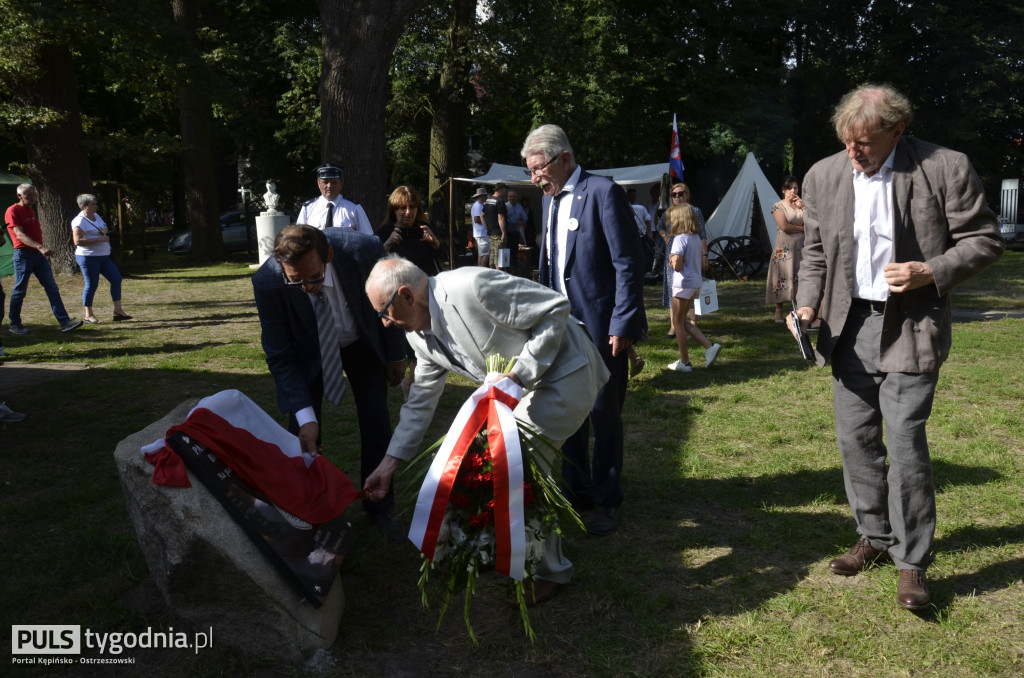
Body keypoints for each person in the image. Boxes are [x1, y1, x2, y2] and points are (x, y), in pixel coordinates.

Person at [790, 85, 1004, 610]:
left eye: (864, 141)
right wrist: (808, 305)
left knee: (906, 444)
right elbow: (814, 252)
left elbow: (984, 238)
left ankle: (912, 563)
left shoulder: (945, 166)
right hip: (848, 326)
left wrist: (931, 271)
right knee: (855, 440)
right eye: (846, 140)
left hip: (910, 323)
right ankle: (874, 537)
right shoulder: (824, 175)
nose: (853, 151)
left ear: (897, 130)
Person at [362, 256, 610, 602]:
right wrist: (388, 466)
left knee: (520, 462)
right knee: (481, 460)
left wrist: (521, 374)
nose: (385, 323)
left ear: (406, 295)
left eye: (384, 312)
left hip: (565, 371)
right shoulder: (419, 336)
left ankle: (550, 571)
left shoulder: (471, 286)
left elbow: (556, 307)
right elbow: (418, 403)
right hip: (517, 393)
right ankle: (483, 548)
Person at [522, 123, 645, 535]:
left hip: (602, 327)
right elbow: (551, 265)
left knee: (603, 411)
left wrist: (623, 323)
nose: (535, 177)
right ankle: (578, 490)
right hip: (560, 327)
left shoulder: (602, 192)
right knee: (566, 408)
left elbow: (628, 262)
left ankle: (609, 499)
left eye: (538, 168)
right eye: (530, 171)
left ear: (566, 159)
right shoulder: (549, 200)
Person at [252, 224, 408, 540]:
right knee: (301, 434)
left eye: (313, 277)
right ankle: (307, 512)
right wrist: (306, 416)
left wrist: (396, 355)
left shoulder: (364, 251)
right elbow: (280, 356)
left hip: (360, 342)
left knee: (375, 419)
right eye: (295, 281)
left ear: (330, 256)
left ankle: (379, 506)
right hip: (309, 350)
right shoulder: (269, 281)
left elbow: (390, 303)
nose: (306, 287)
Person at [4, 183, 83, 334]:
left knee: (52, 287)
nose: (33, 198)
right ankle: (15, 324)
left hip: (37, 256)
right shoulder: (13, 210)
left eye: (34, 195)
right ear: (19, 196)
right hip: (23, 255)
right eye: (29, 195)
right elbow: (19, 235)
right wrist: (40, 247)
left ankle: (65, 321)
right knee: (20, 290)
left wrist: (40, 250)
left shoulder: (31, 210)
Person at [666, 204, 722, 372]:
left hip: (683, 284)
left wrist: (671, 258)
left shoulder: (680, 238)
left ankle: (685, 362)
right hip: (694, 283)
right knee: (682, 320)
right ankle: (709, 346)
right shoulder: (695, 238)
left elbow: (677, 265)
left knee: (677, 323)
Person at [655, 183, 707, 337]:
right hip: (673, 254)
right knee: (674, 289)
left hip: (690, 254)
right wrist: (666, 238)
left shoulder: (695, 211)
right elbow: (659, 225)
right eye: (674, 194)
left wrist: (705, 255)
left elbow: (702, 234)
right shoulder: (669, 212)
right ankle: (674, 325)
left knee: (688, 289)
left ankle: (692, 324)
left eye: (680, 194)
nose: (677, 197)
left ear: (687, 195)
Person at [71, 194, 131, 324]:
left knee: (116, 278)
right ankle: (88, 315)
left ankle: (118, 311)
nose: (96, 206)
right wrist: (99, 239)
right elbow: (77, 241)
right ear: (84, 206)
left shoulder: (96, 216)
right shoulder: (79, 221)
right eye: (93, 204)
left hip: (103, 255)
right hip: (88, 257)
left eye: (96, 203)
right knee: (91, 284)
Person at [375, 185, 441, 275]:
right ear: (394, 210)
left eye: (412, 207)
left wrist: (435, 243)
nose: (408, 212)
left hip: (425, 283)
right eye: (403, 208)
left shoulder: (424, 228)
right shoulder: (384, 233)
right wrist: (388, 243)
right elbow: (373, 261)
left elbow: (441, 258)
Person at [765, 176, 805, 323]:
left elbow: (812, 222)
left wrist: (803, 207)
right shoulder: (778, 206)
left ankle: (800, 309)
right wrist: (803, 228)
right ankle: (779, 311)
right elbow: (784, 226)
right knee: (782, 277)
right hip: (785, 249)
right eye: (789, 188)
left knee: (800, 277)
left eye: (795, 188)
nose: (793, 191)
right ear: (783, 190)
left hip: (802, 247)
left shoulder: (801, 205)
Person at [296, 163, 373, 235]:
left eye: (334, 182)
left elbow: (368, 238)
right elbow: (299, 238)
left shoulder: (354, 208)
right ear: (319, 184)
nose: (329, 186)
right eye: (325, 182)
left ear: (341, 184)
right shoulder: (308, 208)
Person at [482, 183, 509, 271]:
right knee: (499, 257)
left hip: (491, 233)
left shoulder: (487, 201)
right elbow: (500, 218)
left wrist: (487, 228)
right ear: (500, 190)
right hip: (498, 233)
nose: (505, 192)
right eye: (505, 190)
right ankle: (499, 277)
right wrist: (504, 233)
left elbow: (482, 215)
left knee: (492, 256)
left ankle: (492, 276)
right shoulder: (500, 201)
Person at [505, 189, 528, 274]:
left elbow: (525, 218)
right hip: (508, 232)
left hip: (516, 232)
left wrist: (522, 219)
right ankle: (508, 268)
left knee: (515, 251)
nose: (512, 198)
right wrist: (515, 221)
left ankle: (514, 269)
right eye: (511, 196)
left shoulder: (519, 207)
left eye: (514, 196)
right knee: (508, 250)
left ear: (517, 198)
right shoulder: (505, 206)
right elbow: (504, 219)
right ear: (508, 197)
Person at [470, 187, 489, 266]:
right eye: (485, 196)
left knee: (481, 254)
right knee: (486, 254)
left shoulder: (477, 205)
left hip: (479, 233)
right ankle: (482, 271)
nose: (486, 197)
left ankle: (480, 270)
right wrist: (488, 222)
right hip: (482, 233)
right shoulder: (478, 206)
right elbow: (477, 219)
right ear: (482, 196)